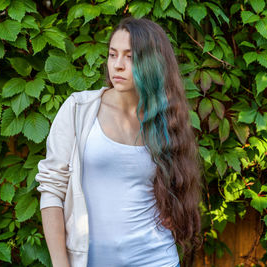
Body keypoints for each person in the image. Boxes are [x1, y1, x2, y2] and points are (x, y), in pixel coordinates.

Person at [35, 16, 202, 267]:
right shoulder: (79, 109)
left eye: (130, 57)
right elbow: (51, 191)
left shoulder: (164, 118)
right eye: (113, 55)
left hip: (156, 257)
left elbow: (176, 182)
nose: (118, 65)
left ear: (152, 63)